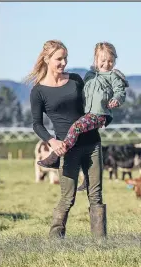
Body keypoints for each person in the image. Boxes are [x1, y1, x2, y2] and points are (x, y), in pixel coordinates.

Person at [27, 40, 107, 239]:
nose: (63, 63)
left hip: (91, 143)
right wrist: (52, 142)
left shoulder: (75, 80)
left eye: (65, 58)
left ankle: (101, 243)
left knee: (95, 195)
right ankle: (55, 239)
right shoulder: (38, 91)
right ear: (47, 59)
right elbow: (37, 124)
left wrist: (103, 112)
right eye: (59, 59)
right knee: (67, 196)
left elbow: (91, 105)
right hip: (66, 148)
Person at [37, 42, 128, 168]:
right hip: (88, 113)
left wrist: (116, 99)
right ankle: (87, 174)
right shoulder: (89, 75)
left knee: (76, 127)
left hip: (99, 114)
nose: (107, 64)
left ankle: (57, 155)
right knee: (81, 136)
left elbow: (120, 91)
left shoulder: (113, 76)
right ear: (95, 59)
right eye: (103, 60)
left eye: (111, 61)